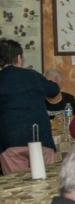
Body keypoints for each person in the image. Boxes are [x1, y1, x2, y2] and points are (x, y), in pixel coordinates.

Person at [0, 39, 59, 174]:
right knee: (45, 184)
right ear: (19, 57)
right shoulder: (33, 76)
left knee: (16, 187)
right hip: (40, 137)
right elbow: (54, 90)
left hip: (10, 141)